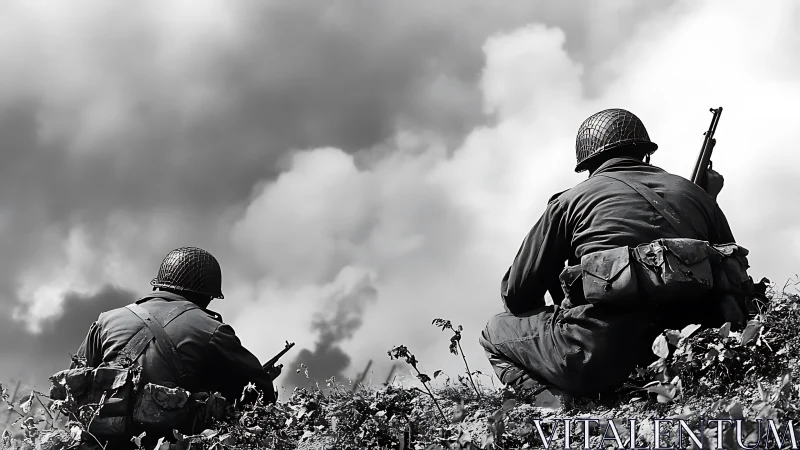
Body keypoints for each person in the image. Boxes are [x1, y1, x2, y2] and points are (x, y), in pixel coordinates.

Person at [479, 108, 751, 398]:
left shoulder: (568, 202)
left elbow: (518, 295)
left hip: (600, 359)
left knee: (494, 332)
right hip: (694, 347)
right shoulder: (695, 195)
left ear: (587, 164)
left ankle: (554, 405)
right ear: (645, 153)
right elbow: (734, 274)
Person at [67, 247, 278, 444]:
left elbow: (73, 386)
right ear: (207, 295)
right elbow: (262, 393)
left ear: (159, 283)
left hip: (101, 441)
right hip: (171, 441)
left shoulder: (107, 320)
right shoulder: (212, 329)